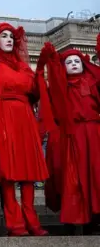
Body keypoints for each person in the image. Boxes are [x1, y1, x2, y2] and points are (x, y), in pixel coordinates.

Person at [0, 23, 50, 236]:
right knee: (9, 172)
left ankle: (32, 221)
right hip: (4, 117)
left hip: (25, 118)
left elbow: (34, 93)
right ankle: (15, 223)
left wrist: (40, 69)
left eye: (11, 37)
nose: (9, 39)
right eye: (4, 36)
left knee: (27, 172)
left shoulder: (23, 66)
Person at [40, 40, 100, 235]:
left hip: (92, 135)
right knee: (72, 178)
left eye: (77, 60)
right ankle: (72, 219)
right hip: (70, 136)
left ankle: (93, 219)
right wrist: (50, 60)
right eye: (68, 61)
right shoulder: (60, 86)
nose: (74, 63)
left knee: (94, 177)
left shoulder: (93, 83)